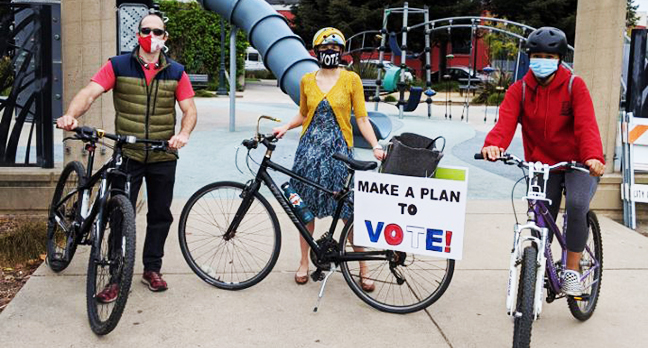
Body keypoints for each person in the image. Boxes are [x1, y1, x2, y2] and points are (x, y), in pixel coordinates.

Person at [56, 12, 197, 300]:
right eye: (146, 30)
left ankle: (151, 269)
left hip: (162, 154)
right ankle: (115, 277)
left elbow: (189, 110)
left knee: (160, 215)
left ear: (164, 38)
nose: (151, 36)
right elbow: (90, 92)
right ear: (138, 35)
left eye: (157, 32)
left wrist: (183, 134)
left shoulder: (176, 72)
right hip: (128, 153)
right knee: (120, 214)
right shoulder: (118, 65)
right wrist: (70, 115)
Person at [481, 27, 605, 296]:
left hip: (578, 162)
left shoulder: (575, 86)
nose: (541, 61)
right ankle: (536, 267)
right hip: (543, 164)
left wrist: (593, 156)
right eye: (536, 55)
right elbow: (504, 123)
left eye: (548, 56)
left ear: (559, 58)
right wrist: (494, 144)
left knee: (576, 205)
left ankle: (571, 270)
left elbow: (586, 126)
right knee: (538, 216)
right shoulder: (520, 90)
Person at [273, 27, 385, 290]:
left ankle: (363, 267)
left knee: (349, 212)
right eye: (324, 49)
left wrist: (375, 145)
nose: (329, 53)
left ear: (341, 51)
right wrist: (285, 127)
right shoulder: (306, 80)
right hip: (308, 154)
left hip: (339, 155)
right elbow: (303, 114)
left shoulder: (351, 80)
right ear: (316, 51)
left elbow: (362, 118)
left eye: (334, 49)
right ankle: (304, 262)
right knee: (305, 211)